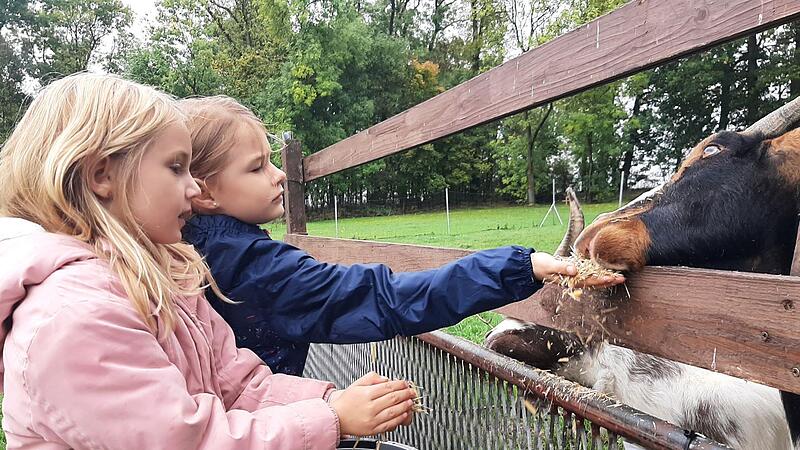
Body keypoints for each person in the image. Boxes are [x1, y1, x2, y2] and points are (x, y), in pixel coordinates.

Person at [0, 74, 415, 450]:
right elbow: (187, 442)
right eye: (176, 167)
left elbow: (235, 381)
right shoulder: (74, 316)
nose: (194, 186)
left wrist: (329, 400)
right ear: (101, 176)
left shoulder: (166, 276)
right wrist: (331, 419)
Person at [179, 96, 625, 375]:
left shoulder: (189, 245)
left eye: (274, 161)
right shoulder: (256, 268)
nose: (279, 176)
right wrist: (520, 266)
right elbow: (385, 299)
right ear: (202, 190)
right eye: (257, 167)